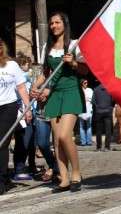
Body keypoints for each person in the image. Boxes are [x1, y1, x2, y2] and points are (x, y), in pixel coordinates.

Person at [30, 13, 88, 193]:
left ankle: (76, 173)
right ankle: (64, 178)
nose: (54, 25)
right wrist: (35, 86)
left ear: (64, 24)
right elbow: (46, 73)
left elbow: (86, 70)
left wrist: (74, 63)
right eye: (52, 23)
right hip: (55, 94)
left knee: (64, 136)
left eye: (57, 22)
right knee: (56, 140)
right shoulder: (47, 46)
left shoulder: (74, 44)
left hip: (71, 92)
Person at [0, 40, 33, 195]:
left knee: (2, 142)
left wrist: (27, 109)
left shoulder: (11, 65)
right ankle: (5, 175)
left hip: (8, 106)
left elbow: (21, 87)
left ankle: (1, 178)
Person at [92, 83, 114, 151]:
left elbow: (93, 101)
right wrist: (110, 107)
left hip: (99, 111)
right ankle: (107, 147)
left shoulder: (96, 89)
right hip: (108, 111)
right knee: (108, 130)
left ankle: (99, 147)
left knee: (99, 130)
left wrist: (97, 107)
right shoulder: (110, 89)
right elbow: (113, 100)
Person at [78, 79, 93, 146]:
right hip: (81, 111)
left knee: (89, 126)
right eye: (85, 83)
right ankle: (83, 142)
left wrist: (86, 99)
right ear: (82, 83)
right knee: (81, 127)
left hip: (89, 110)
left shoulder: (90, 90)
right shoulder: (79, 90)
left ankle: (89, 141)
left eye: (87, 82)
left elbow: (92, 99)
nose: (86, 84)